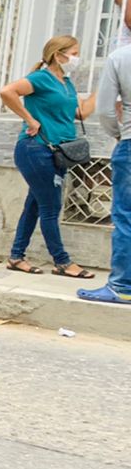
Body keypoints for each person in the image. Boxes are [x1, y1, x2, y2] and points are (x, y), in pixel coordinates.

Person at [0, 35, 97, 278]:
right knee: (51, 207)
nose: (76, 58)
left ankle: (16, 256)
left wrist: (104, 89)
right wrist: (30, 119)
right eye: (73, 53)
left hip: (59, 153)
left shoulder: (66, 82)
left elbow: (81, 113)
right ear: (58, 55)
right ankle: (62, 262)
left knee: (34, 205)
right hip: (36, 149)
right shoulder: (41, 78)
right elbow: (7, 91)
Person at [81, 43, 131, 305]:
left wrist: (119, 134)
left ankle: (123, 286)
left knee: (127, 216)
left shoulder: (120, 57)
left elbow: (105, 109)